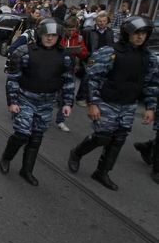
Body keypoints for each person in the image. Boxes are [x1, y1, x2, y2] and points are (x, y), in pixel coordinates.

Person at [68, 16, 158, 191]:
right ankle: (77, 153)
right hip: (107, 102)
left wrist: (150, 107)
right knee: (102, 136)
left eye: (144, 33)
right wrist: (93, 103)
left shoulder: (149, 58)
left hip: (129, 104)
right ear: (127, 33)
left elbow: (151, 84)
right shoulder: (110, 52)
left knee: (119, 139)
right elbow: (93, 78)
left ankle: (102, 172)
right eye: (137, 33)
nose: (140, 37)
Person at [0, 18, 75, 186]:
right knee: (21, 133)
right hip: (26, 98)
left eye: (54, 35)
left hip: (47, 102)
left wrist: (68, 103)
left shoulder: (65, 56)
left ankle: (27, 170)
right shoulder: (24, 52)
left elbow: (68, 81)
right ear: (41, 34)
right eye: (47, 35)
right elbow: (13, 79)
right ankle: (6, 157)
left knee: (36, 137)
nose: (50, 38)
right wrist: (12, 101)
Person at [55, 17, 89, 132]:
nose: (70, 32)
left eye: (72, 30)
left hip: (70, 71)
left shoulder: (79, 38)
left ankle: (60, 121)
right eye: (68, 30)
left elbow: (85, 53)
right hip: (56, 70)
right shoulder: (59, 37)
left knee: (68, 97)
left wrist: (80, 51)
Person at [76, 11, 114, 106]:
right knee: (87, 78)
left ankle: (92, 99)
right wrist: (86, 56)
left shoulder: (110, 32)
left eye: (104, 21)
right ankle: (81, 97)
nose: (102, 23)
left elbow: (111, 44)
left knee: (100, 79)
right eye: (100, 21)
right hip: (91, 58)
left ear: (107, 22)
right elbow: (82, 44)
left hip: (105, 58)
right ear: (96, 21)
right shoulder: (88, 31)